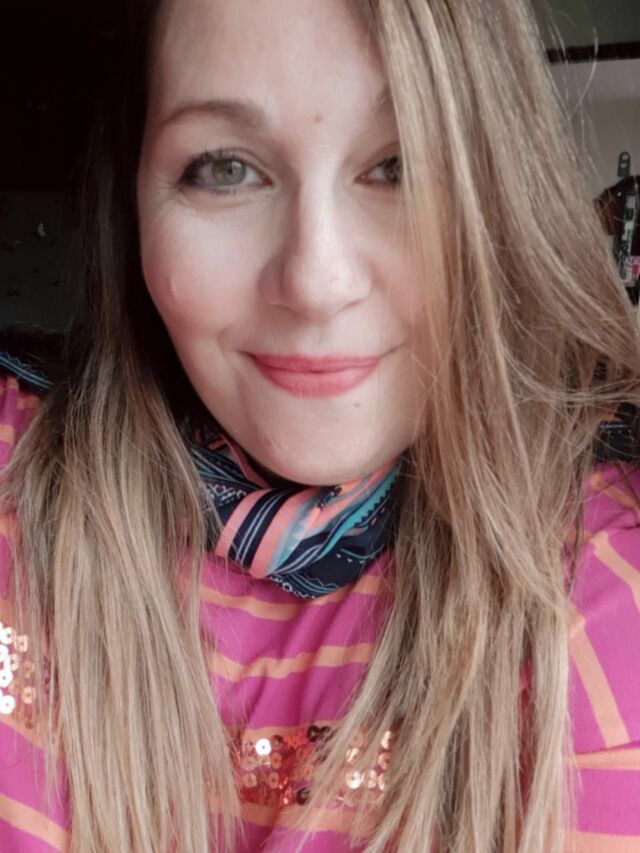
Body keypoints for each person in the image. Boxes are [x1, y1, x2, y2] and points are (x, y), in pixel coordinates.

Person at [1, 1, 640, 850]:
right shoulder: (16, 486)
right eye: (225, 167)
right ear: (134, 203)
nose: (315, 280)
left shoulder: (599, 594)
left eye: (400, 165)